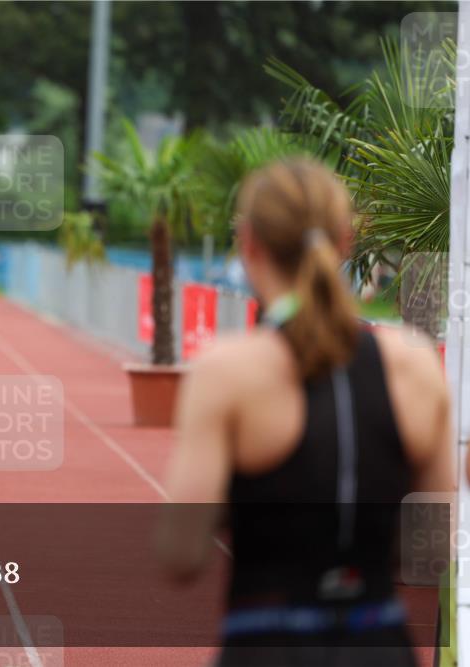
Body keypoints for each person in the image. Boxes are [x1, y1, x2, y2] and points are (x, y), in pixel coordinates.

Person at [157, 159, 454, 666]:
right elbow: (432, 549)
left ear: (248, 243)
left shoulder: (227, 372)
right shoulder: (416, 365)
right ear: (345, 241)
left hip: (266, 642)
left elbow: (181, 554)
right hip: (378, 642)